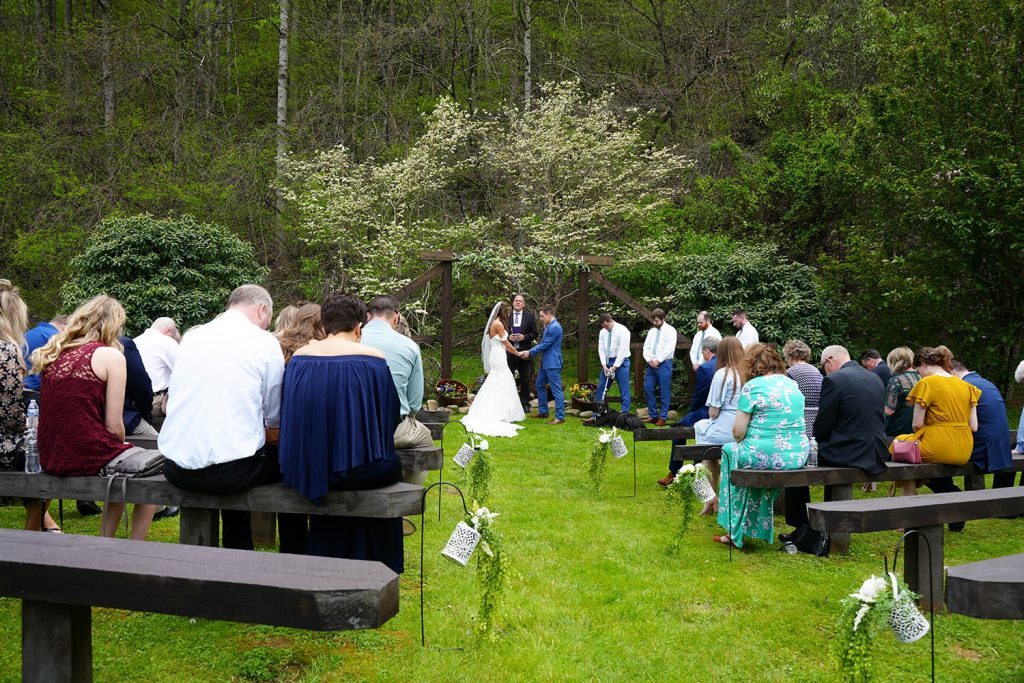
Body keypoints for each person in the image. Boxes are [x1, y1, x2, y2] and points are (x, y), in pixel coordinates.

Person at [277, 293, 404, 573]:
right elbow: (390, 416)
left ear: (325, 325)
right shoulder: (373, 360)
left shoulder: (299, 359)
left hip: (306, 468)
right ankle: (378, 562)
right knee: (387, 465)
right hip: (360, 471)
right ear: (359, 328)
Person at [159, 285, 285, 550]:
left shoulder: (192, 337)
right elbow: (274, 413)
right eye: (268, 319)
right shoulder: (264, 342)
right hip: (232, 472)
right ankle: (246, 551)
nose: (267, 325)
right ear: (262, 309)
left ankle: (232, 552)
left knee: (236, 450)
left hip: (177, 466)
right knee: (279, 460)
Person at [32, 295, 158, 540]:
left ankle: (105, 542)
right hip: (87, 452)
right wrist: (121, 445)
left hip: (50, 454)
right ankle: (134, 547)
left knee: (122, 471)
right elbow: (114, 425)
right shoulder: (111, 356)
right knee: (150, 472)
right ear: (114, 324)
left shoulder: (54, 353)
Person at [783, 345, 888, 539]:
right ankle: (809, 526)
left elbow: (823, 424)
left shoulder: (834, 380)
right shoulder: (875, 378)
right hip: (875, 451)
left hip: (848, 451)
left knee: (794, 461)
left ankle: (801, 526)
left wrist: (813, 443)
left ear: (829, 360)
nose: (825, 370)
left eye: (824, 366)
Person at [711, 344, 807, 548]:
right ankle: (755, 525)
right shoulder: (792, 384)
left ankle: (733, 527)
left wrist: (746, 441)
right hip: (797, 455)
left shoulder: (753, 387)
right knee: (750, 458)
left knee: (729, 451)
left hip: (765, 454)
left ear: (750, 365)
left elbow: (738, 432)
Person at [0, 281, 62, 533]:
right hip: (4, 443)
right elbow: (10, 417)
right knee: (49, 454)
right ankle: (32, 532)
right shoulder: (7, 351)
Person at [890, 346, 979, 497]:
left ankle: (909, 491)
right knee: (911, 449)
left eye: (918, 372)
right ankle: (937, 488)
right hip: (965, 449)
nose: (919, 376)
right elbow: (974, 426)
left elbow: (917, 424)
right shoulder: (967, 386)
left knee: (899, 445)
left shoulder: (926, 384)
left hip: (939, 445)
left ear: (924, 364)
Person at [361, 296, 434, 455]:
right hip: (392, 428)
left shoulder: (353, 340)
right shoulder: (410, 346)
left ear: (368, 316)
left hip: (353, 426)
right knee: (426, 442)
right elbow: (414, 403)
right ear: (396, 317)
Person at [693, 336, 744, 512]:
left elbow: (713, 412)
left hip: (725, 428)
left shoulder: (722, 374)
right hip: (744, 428)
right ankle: (712, 499)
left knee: (704, 443)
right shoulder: (748, 374)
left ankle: (709, 497)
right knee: (709, 444)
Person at [658, 337, 717, 487]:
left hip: (706, 410)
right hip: (723, 413)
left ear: (706, 350)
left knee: (679, 428)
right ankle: (696, 467)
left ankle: (674, 471)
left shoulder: (706, 368)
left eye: (702, 352)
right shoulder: (726, 366)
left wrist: (692, 411)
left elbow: (699, 395)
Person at [462, 301, 525, 437]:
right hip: (498, 355)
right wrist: (517, 353)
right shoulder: (498, 324)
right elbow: (506, 343)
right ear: (502, 311)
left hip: (497, 353)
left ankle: (502, 410)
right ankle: (498, 412)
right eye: (507, 312)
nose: (508, 314)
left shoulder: (496, 323)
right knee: (501, 380)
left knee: (498, 380)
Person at [951, 359, 1012, 486]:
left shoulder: (965, 385)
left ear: (951, 373)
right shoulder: (984, 382)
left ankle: (952, 493)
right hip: (1001, 447)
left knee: (934, 459)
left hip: (984, 450)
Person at [520, 306, 564, 424]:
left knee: (556, 390)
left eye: (542, 316)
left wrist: (529, 352)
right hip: (546, 363)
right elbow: (544, 344)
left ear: (549, 314)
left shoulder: (555, 327)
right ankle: (543, 411)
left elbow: (545, 345)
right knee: (539, 385)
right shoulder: (549, 326)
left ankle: (560, 417)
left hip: (553, 363)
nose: (540, 318)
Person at [134, 317, 179, 418]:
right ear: (168, 330)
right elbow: (183, 371)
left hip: (135, 402)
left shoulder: (135, 341)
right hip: (156, 403)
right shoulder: (167, 341)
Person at [642, 308, 677, 426]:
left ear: (663, 319)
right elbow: (646, 347)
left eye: (657, 321)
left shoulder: (670, 330)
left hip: (664, 363)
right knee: (648, 388)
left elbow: (669, 348)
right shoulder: (652, 331)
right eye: (653, 320)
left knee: (664, 390)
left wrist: (658, 360)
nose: (654, 323)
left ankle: (663, 417)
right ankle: (653, 415)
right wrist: (648, 359)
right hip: (650, 364)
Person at [22, 314, 67, 403]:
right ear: (64, 326)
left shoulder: (28, 333)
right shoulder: (56, 336)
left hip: (22, 387)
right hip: (39, 391)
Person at [783, 340, 821, 440]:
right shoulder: (816, 370)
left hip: (800, 422)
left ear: (790, 356)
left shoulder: (790, 372)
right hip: (817, 421)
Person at [506, 294, 538, 413]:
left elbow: (534, 333)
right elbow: (501, 332)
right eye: (516, 300)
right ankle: (509, 404)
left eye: (520, 301)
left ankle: (525, 404)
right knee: (508, 378)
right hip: (509, 352)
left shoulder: (529, 317)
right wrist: (508, 337)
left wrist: (524, 337)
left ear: (524, 304)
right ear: (513, 303)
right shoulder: (507, 315)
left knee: (525, 379)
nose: (518, 302)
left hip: (524, 352)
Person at [597, 313, 631, 412]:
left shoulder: (622, 330)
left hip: (621, 362)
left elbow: (622, 350)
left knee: (624, 389)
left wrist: (615, 367)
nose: (605, 328)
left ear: (610, 321)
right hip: (608, 362)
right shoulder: (603, 332)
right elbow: (601, 348)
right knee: (601, 387)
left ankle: (625, 413)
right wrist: (604, 365)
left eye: (607, 326)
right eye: (603, 327)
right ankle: (598, 413)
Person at [883, 346, 920, 437]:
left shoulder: (896, 380)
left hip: (898, 430)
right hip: (917, 429)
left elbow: (889, 410)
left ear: (894, 361)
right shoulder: (921, 377)